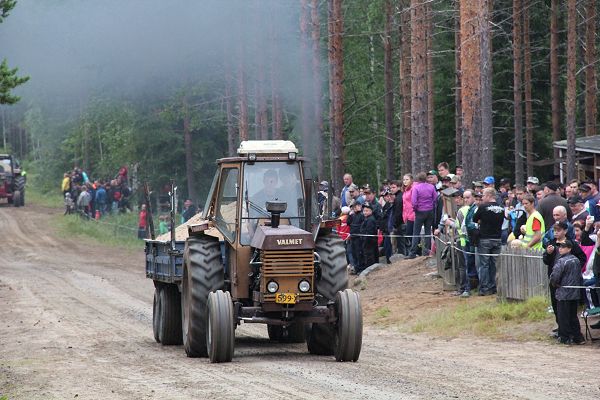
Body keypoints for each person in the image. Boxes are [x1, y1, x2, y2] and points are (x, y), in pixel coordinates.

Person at [549, 239, 585, 344]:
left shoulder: (561, 261)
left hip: (564, 293)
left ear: (569, 249)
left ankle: (565, 338)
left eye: (563, 247)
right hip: (575, 293)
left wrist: (555, 284)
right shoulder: (576, 260)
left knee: (563, 317)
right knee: (573, 316)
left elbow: (554, 277)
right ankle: (577, 337)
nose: (560, 249)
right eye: (560, 247)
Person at [473, 187, 504, 296]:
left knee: (484, 264)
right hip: (497, 238)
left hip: (485, 238)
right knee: (495, 264)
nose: (482, 197)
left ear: (489, 195)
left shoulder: (483, 207)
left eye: (483, 195)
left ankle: (485, 288)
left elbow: (474, 219)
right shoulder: (501, 207)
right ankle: (495, 286)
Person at [360, 202, 379, 272]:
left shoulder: (370, 220)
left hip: (369, 242)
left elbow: (369, 232)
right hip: (367, 242)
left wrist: (365, 240)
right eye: (364, 211)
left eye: (366, 211)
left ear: (371, 211)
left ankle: (370, 271)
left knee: (370, 257)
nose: (365, 212)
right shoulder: (367, 219)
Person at [348, 200, 364, 273]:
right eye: (356, 206)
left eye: (359, 206)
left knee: (359, 253)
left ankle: (360, 268)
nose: (358, 207)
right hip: (353, 236)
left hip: (358, 237)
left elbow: (362, 225)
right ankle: (356, 268)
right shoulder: (353, 215)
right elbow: (348, 223)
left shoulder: (361, 215)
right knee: (353, 253)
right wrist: (350, 215)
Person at [402, 174, 415, 256]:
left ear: (411, 180)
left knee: (411, 234)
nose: (405, 181)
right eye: (404, 180)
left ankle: (414, 252)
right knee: (408, 235)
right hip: (407, 216)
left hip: (413, 215)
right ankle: (411, 252)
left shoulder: (413, 189)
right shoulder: (405, 190)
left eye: (407, 179)